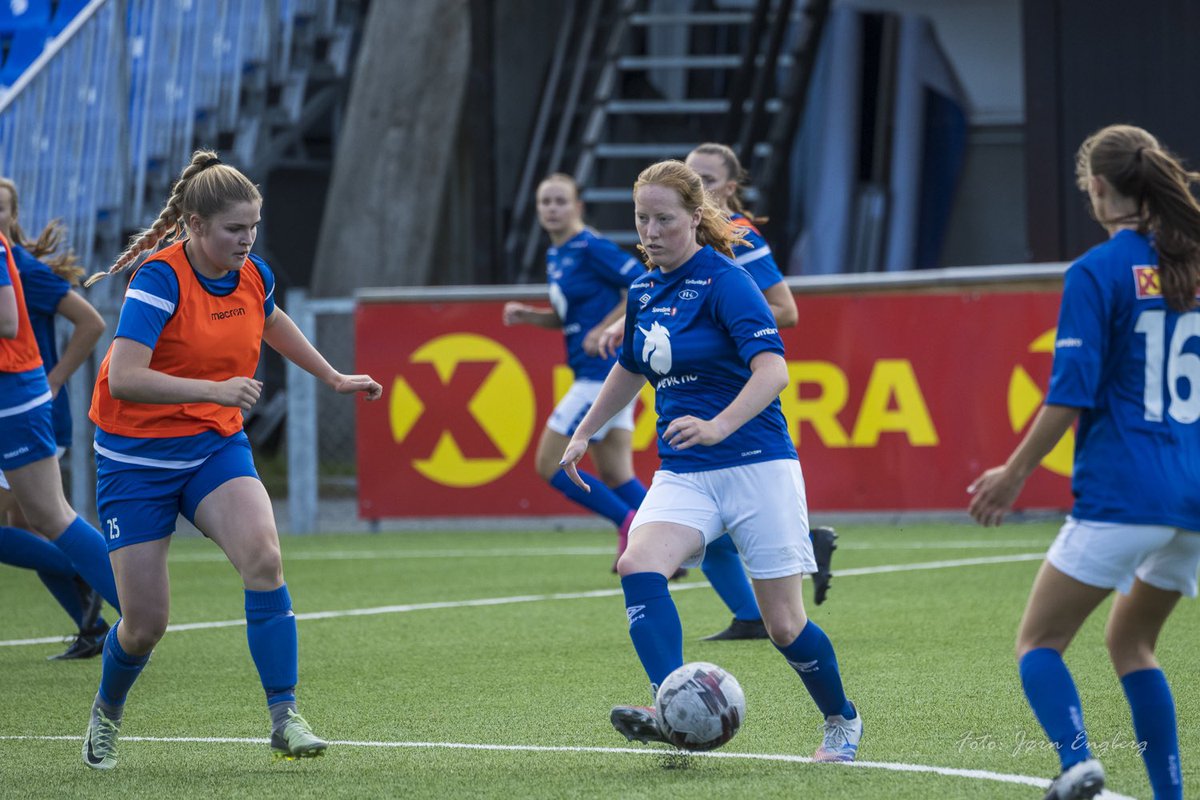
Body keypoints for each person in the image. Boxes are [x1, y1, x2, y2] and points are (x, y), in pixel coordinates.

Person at [77, 149, 383, 770]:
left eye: (253, 228)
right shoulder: (158, 280)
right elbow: (126, 379)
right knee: (144, 625)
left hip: (212, 444)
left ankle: (284, 715)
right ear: (193, 225)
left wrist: (332, 376)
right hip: (136, 458)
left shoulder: (253, 273)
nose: (246, 241)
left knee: (264, 558)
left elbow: (270, 321)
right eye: (233, 230)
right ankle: (106, 714)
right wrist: (214, 390)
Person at [561, 160, 861, 761]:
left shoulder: (728, 281)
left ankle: (841, 719)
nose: (650, 231)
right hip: (684, 470)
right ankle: (669, 703)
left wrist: (719, 423)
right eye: (641, 219)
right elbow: (631, 366)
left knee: (784, 627)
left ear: (695, 219)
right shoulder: (643, 288)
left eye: (664, 219)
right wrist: (585, 432)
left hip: (757, 465)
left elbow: (773, 370)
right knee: (638, 563)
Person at [968, 124, 1200, 800]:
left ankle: (1078, 764)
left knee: (1039, 642)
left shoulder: (1098, 271)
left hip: (1125, 493)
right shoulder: (1191, 262)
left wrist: (1011, 476)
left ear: (1097, 188)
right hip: (1192, 501)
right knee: (1132, 645)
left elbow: (1069, 396)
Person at [599, 144, 838, 639]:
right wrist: (640, 321)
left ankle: (782, 571)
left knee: (739, 517)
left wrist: (713, 320)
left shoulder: (740, 238)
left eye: (707, 177)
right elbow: (668, 295)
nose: (699, 184)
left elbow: (786, 311)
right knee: (697, 522)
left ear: (729, 189)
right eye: (692, 175)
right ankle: (753, 610)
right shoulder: (660, 256)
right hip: (695, 407)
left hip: (738, 387)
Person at [502, 173, 655, 571]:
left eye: (560, 201)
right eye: (545, 202)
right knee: (614, 472)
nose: (552, 209)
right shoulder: (558, 253)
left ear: (578, 207)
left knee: (549, 462)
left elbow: (642, 283)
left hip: (602, 374)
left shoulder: (590, 246)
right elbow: (568, 317)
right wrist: (530, 317)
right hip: (599, 372)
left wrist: (607, 328)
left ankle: (632, 524)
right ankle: (671, 537)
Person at [0, 177, 111, 660]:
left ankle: (107, 598)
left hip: (30, 405)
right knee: (34, 523)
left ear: (14, 216)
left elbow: (92, 323)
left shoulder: (23, 266)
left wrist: (56, 379)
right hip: (20, 402)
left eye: (3, 209)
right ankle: (97, 619)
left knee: (43, 521)